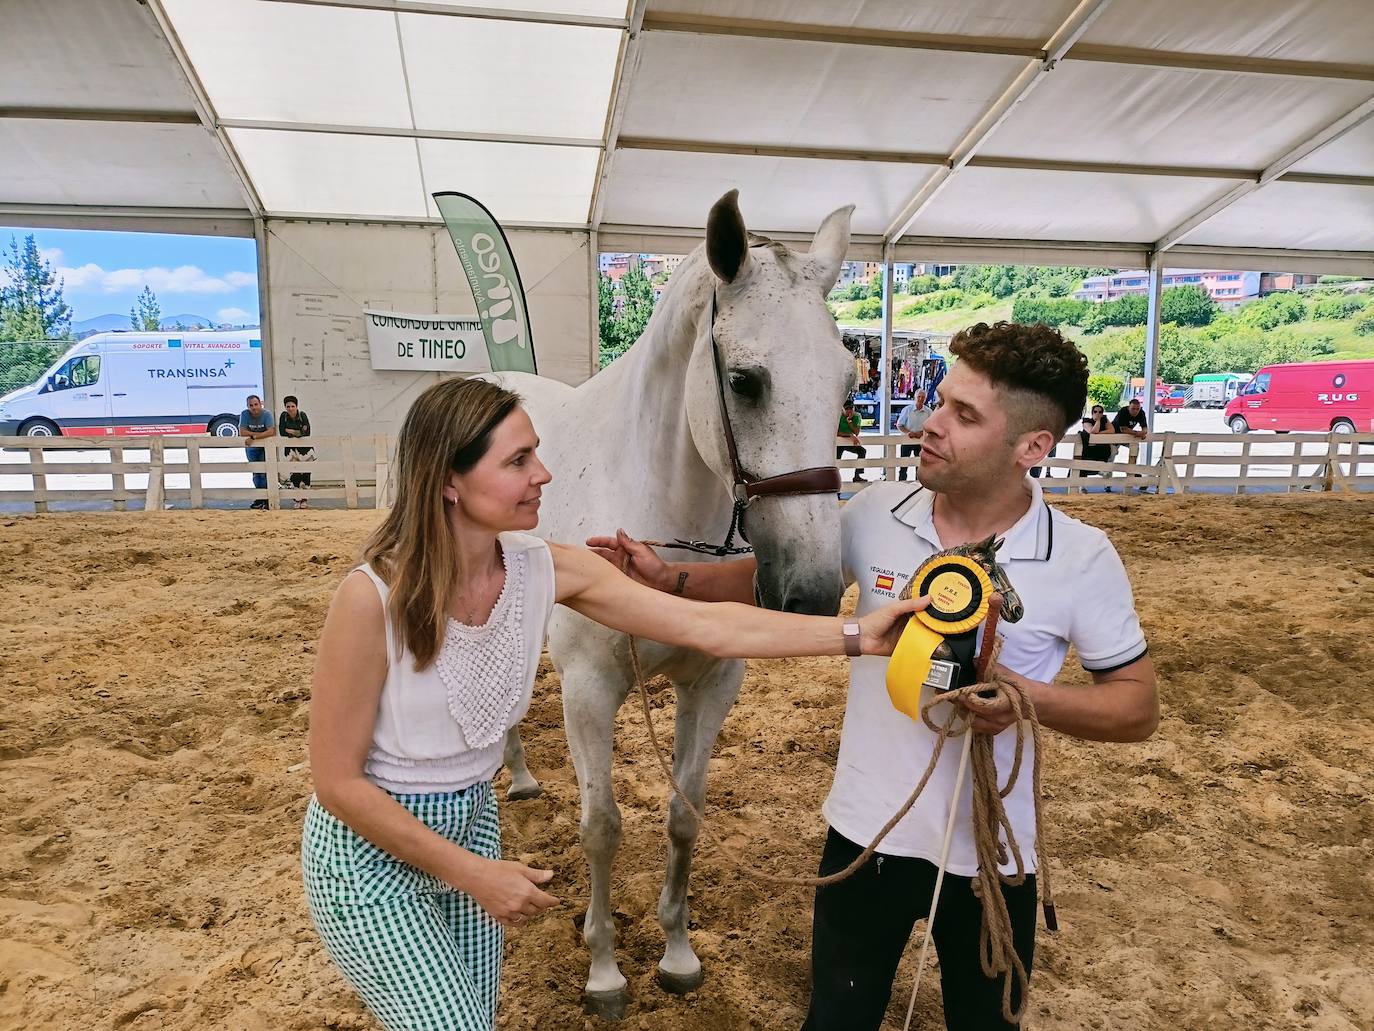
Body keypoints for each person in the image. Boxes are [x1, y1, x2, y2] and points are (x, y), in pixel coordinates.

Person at [301, 378, 926, 1031]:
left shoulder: (547, 567)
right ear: (449, 480)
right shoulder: (370, 596)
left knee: (472, 1018)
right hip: (371, 855)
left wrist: (858, 635)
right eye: (518, 461)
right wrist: (474, 875)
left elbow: (709, 628)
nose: (544, 473)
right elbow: (338, 782)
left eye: (535, 453)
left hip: (475, 829)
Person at [589, 321, 1159, 1031]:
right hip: (864, 838)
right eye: (940, 401)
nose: (930, 422)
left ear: (1033, 447)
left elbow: (1137, 708)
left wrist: (1026, 699)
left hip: (994, 854)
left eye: (963, 414)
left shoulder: (1082, 556)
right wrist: (670, 575)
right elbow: (765, 581)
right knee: (835, 1018)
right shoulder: (874, 513)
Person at [239, 394, 276, 510]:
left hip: (264, 446)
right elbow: (242, 432)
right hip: (251, 448)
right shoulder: (245, 414)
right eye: (251, 405)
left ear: (260, 404)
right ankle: (260, 497)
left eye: (256, 404)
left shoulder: (267, 414)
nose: (254, 407)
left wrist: (254, 437)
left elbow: (271, 431)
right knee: (256, 472)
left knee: (265, 472)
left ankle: (267, 498)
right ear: (247, 406)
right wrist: (260, 435)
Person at [279, 395, 313, 509]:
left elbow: (306, 432)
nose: (290, 409)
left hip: (305, 450)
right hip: (290, 450)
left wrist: (291, 431)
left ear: (296, 406)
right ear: (285, 407)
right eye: (288, 406)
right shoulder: (283, 416)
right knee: (294, 474)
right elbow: (282, 432)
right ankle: (297, 498)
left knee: (306, 474)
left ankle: (305, 499)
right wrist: (297, 432)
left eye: (292, 406)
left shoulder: (302, 415)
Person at [894, 389, 930, 482]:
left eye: (923, 397)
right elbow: (899, 425)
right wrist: (908, 432)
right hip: (907, 440)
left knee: (919, 465)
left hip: (920, 441)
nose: (921, 399)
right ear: (915, 397)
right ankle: (902, 484)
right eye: (919, 397)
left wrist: (922, 433)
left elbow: (931, 426)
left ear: (925, 399)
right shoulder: (907, 410)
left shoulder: (929, 411)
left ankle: (918, 485)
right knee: (903, 465)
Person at [1078, 404, 1113, 479]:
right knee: (1083, 467)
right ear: (1092, 413)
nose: (1098, 413)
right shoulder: (1086, 421)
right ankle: (1082, 486)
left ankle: (1107, 484)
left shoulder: (1104, 420)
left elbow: (1112, 430)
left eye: (1100, 412)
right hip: (1088, 450)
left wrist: (1100, 432)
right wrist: (1098, 421)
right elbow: (1093, 431)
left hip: (1101, 450)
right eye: (1095, 411)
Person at [837, 400, 866, 482]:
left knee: (862, 451)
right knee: (836, 461)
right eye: (847, 408)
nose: (850, 410)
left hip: (850, 442)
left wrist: (849, 422)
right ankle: (835, 480)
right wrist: (849, 435)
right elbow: (836, 433)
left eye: (851, 408)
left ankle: (857, 475)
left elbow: (856, 432)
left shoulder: (857, 416)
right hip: (839, 442)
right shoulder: (838, 416)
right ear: (843, 409)